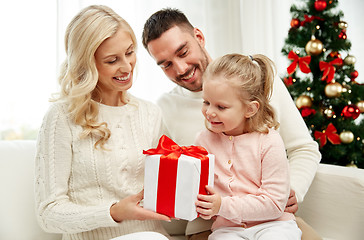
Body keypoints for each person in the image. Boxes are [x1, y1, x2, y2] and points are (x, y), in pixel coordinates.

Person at [142, 8, 322, 240]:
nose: (181, 68)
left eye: (183, 52)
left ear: (199, 37)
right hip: (211, 227)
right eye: (166, 64)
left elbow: (303, 148)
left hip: (272, 218)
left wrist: (291, 191)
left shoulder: (258, 81)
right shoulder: (165, 108)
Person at [34, 5, 171, 240]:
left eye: (129, 52)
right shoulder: (61, 117)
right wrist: (113, 212)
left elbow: (165, 189)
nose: (127, 67)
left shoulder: (150, 113)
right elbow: (49, 213)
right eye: (112, 60)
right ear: (87, 64)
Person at [194, 53, 302, 240]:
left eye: (221, 107)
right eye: (206, 102)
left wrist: (223, 206)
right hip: (227, 229)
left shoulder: (269, 141)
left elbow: (275, 204)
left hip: (274, 224)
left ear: (250, 109)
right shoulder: (203, 142)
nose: (209, 112)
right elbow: (198, 193)